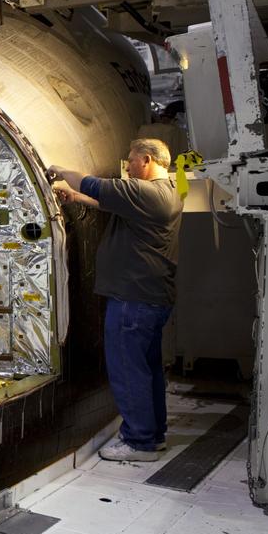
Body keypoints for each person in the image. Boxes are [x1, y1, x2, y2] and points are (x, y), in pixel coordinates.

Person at [48, 138, 182, 462]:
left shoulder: (147, 192)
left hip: (132, 300)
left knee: (128, 370)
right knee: (146, 369)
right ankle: (153, 435)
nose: (128, 167)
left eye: (131, 161)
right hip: (149, 299)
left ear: (147, 160)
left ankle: (139, 442)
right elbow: (111, 203)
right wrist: (77, 198)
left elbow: (97, 187)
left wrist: (61, 172)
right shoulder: (165, 194)